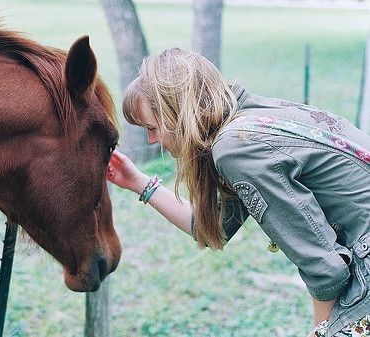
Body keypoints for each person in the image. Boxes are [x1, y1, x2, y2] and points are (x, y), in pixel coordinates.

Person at [107, 48, 370, 337]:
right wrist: (137, 182)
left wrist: (321, 330)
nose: (152, 140)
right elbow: (213, 228)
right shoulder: (247, 122)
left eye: (152, 127)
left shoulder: (237, 147)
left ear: (178, 113)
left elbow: (325, 269)